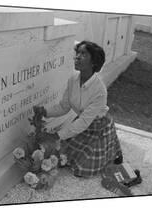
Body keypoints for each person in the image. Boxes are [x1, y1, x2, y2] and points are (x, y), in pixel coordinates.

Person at [34, 40, 123, 177]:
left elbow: (83, 122)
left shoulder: (100, 90)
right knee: (64, 158)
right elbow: (63, 107)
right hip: (81, 122)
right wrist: (45, 112)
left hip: (98, 126)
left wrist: (55, 136)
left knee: (82, 169)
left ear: (94, 62)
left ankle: (112, 152)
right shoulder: (73, 80)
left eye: (83, 54)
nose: (77, 57)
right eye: (77, 53)